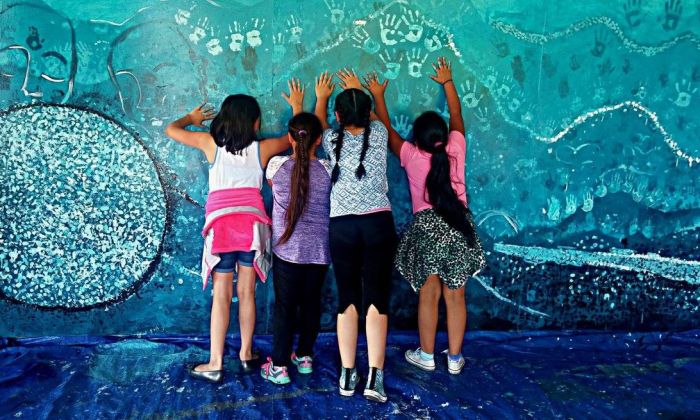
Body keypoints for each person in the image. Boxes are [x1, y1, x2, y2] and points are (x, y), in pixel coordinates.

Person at [163, 81, 304, 383]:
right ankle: (245, 354)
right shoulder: (262, 148)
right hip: (251, 228)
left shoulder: (210, 144)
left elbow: (171, 130)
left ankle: (215, 362)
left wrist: (191, 118)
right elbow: (296, 138)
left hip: (221, 227)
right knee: (247, 293)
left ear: (224, 120)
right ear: (255, 123)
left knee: (222, 295)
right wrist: (296, 107)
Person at [365, 57, 486, 375]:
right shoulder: (456, 148)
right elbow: (457, 115)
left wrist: (377, 94)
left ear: (416, 140)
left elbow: (385, 128)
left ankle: (428, 354)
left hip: (426, 232)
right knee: (456, 296)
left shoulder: (410, 155)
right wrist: (447, 81)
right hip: (459, 228)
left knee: (428, 295)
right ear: (444, 137)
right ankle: (456, 358)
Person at [314, 70, 397, 403]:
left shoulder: (330, 140)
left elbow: (321, 125)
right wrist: (370, 92)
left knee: (347, 297)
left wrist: (322, 97)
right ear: (368, 114)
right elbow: (381, 122)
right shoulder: (378, 133)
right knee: (377, 298)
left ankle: (348, 374)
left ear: (337, 117)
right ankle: (375, 377)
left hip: (342, 226)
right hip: (378, 224)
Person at [260, 111, 332, 385]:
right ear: (320, 140)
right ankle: (304, 357)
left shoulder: (276, 167)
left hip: (287, 253)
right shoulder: (327, 170)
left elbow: (281, 181)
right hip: (319, 253)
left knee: (285, 308)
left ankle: (278, 365)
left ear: (290, 138)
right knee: (311, 305)